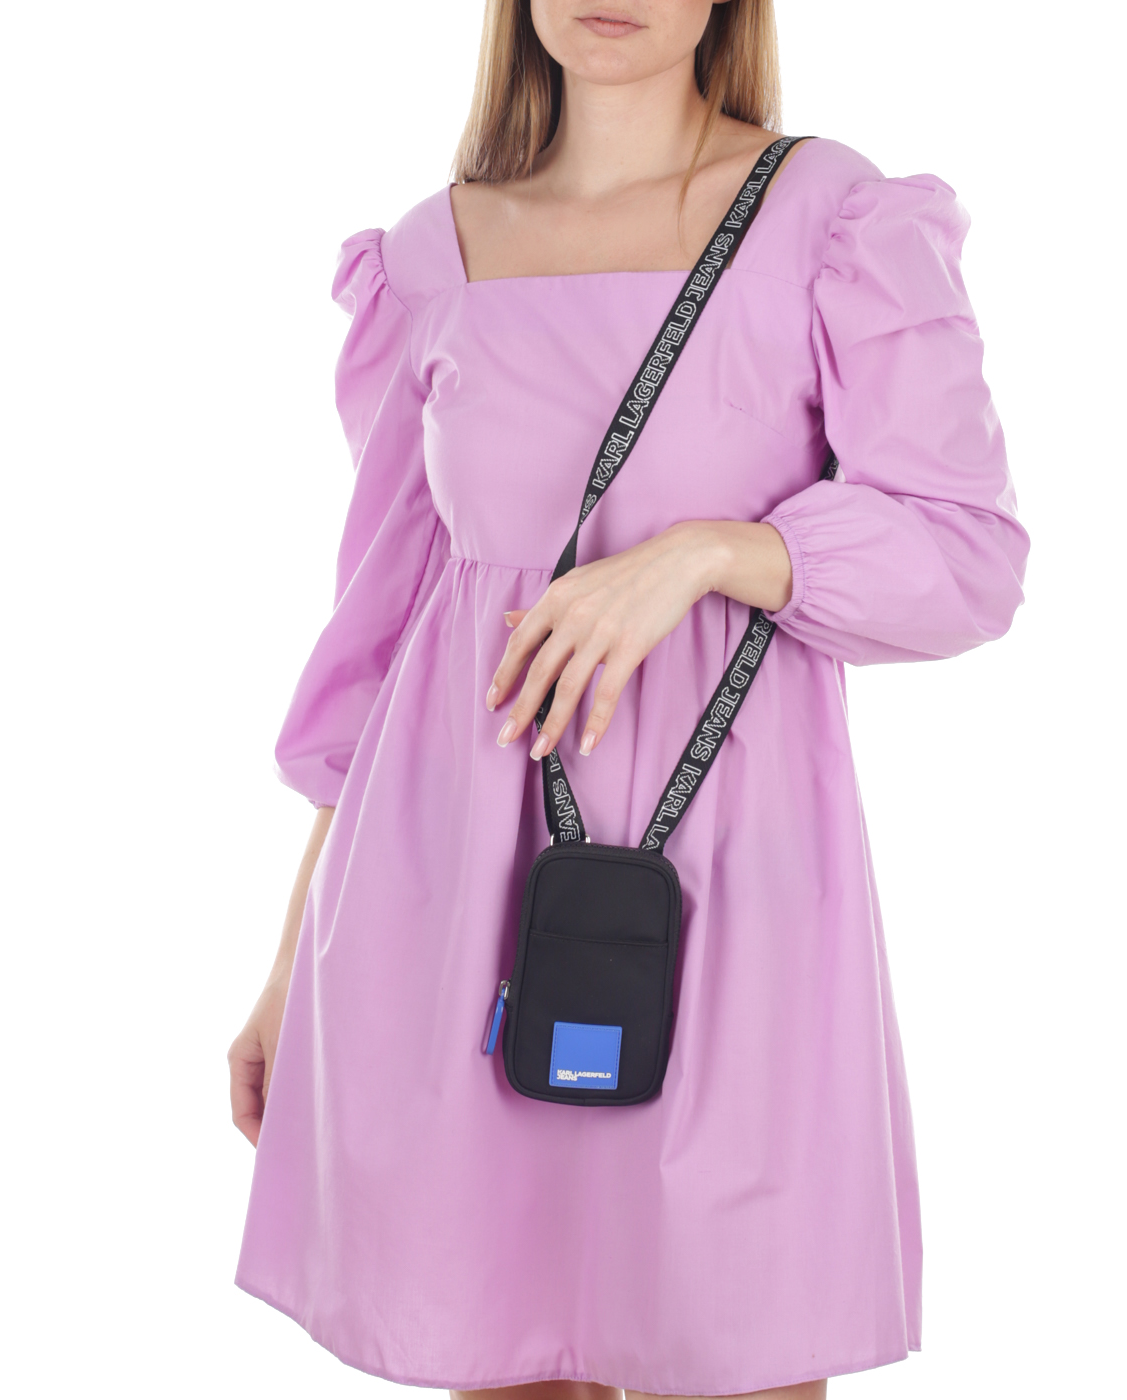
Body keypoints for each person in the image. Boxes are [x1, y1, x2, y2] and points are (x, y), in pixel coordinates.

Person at [229, 2, 1029, 1397]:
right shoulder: (430, 258)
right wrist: (289, 958)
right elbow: (380, 636)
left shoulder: (835, 221)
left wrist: (712, 554)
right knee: (494, 1348)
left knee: (739, 1347)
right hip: (450, 903)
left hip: (738, 895)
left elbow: (967, 556)